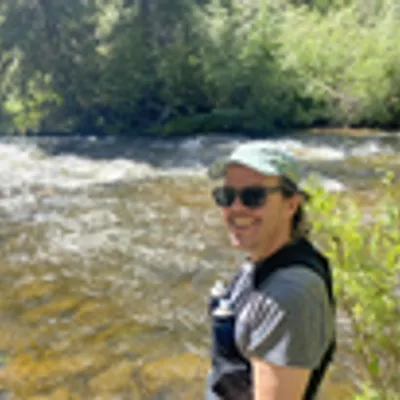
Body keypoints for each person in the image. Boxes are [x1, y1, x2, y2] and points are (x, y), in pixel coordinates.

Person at [206, 142, 336, 400]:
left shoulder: (290, 296)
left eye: (254, 196)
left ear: (291, 205)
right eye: (226, 196)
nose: (236, 208)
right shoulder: (262, 259)